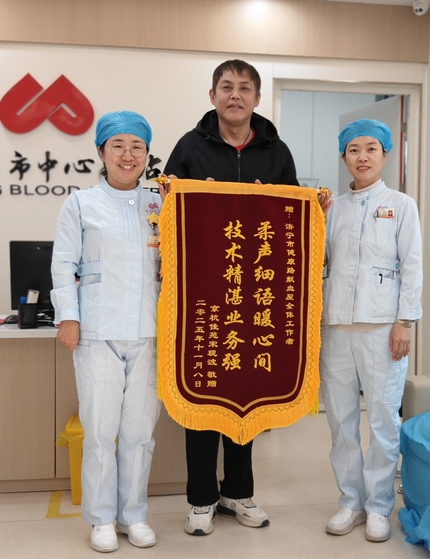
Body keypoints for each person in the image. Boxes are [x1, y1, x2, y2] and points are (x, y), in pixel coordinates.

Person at [162, 59, 301, 536]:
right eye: (226, 87)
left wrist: (303, 206)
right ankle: (201, 499)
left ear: (257, 99)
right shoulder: (189, 146)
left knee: (248, 392)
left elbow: (293, 220)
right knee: (202, 395)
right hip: (202, 294)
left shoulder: (276, 150)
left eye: (244, 88)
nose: (235, 95)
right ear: (212, 95)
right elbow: (164, 209)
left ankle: (238, 493)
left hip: (255, 293)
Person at [51, 111, 163, 553]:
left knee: (140, 432)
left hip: (150, 333)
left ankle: (133, 515)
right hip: (98, 332)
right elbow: (64, 263)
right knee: (100, 431)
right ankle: (100, 518)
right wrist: (68, 316)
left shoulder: (161, 204)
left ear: (147, 155)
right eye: (118, 146)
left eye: (137, 147)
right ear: (101, 152)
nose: (128, 155)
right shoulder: (81, 203)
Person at [318, 118, 422, 543]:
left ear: (385, 154)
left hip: (383, 329)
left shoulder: (401, 205)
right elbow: (316, 261)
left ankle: (379, 506)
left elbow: (412, 265)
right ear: (344, 157)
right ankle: (350, 502)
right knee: (340, 420)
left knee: (382, 419)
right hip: (336, 327)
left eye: (371, 149)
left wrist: (405, 322)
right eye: (354, 150)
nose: (362, 157)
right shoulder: (332, 208)